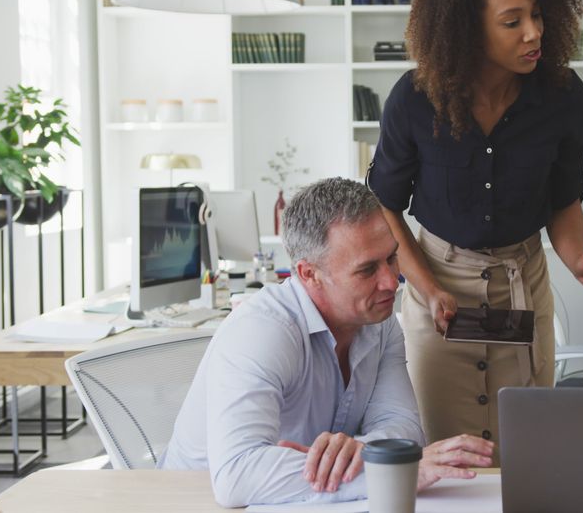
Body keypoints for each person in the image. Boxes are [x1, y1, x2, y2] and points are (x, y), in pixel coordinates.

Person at [367, 0, 583, 456]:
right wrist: (426, 287)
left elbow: (563, 198)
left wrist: (578, 260)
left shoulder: (562, 95)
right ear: (468, 28)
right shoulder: (414, 99)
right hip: (437, 283)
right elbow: (384, 204)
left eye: (536, 15)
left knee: (528, 448)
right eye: (513, 22)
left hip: (523, 280)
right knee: (448, 451)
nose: (534, 32)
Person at [159, 178, 494, 507]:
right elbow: (238, 475)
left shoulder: (381, 323)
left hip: (298, 501)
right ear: (308, 274)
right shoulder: (262, 331)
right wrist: (388, 469)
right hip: (191, 502)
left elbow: (404, 433)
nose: (391, 282)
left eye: (392, 259)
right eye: (366, 271)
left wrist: (362, 451)